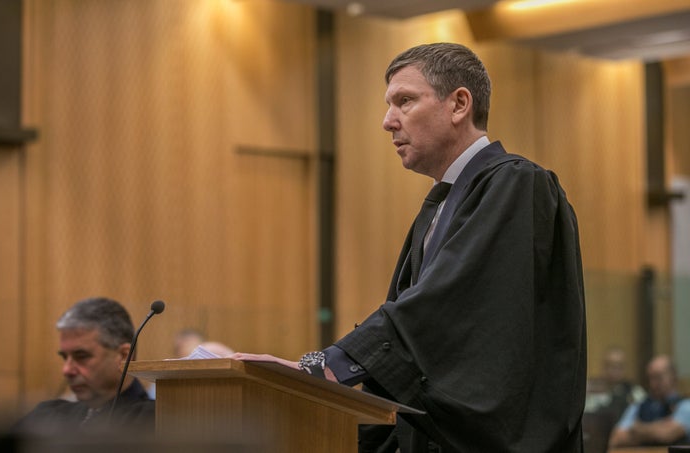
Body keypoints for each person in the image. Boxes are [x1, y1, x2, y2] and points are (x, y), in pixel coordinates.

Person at [233, 42, 587, 452]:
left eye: (404, 101)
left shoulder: (517, 184)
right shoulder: (439, 206)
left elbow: (443, 309)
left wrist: (325, 367)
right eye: (389, 105)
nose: (387, 122)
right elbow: (409, 340)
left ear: (458, 105)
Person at [13, 297, 155, 436]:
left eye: (81, 356)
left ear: (124, 356)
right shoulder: (47, 415)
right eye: (64, 357)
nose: (66, 370)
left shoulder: (157, 422)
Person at [608, 354, 690, 448]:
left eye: (658, 377)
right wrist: (660, 426)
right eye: (650, 378)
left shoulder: (686, 406)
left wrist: (637, 429)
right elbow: (616, 439)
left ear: (673, 377)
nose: (653, 384)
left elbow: (667, 434)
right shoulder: (638, 406)